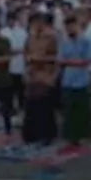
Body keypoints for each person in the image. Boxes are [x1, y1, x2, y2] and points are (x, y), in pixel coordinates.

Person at [22, 14, 60, 146]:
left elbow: (56, 57)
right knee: (31, 105)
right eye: (34, 23)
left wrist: (40, 59)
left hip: (45, 74)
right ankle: (32, 135)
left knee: (45, 106)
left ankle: (47, 135)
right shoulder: (30, 38)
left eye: (39, 23)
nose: (37, 26)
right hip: (32, 74)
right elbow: (25, 54)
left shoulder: (51, 38)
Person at [58, 17, 91, 146]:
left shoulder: (86, 42)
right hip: (68, 81)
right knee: (69, 111)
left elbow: (87, 61)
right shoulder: (64, 42)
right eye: (67, 27)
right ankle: (71, 137)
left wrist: (71, 62)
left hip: (82, 81)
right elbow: (60, 60)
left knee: (83, 110)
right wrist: (76, 62)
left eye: (72, 26)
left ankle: (84, 135)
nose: (70, 29)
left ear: (78, 26)